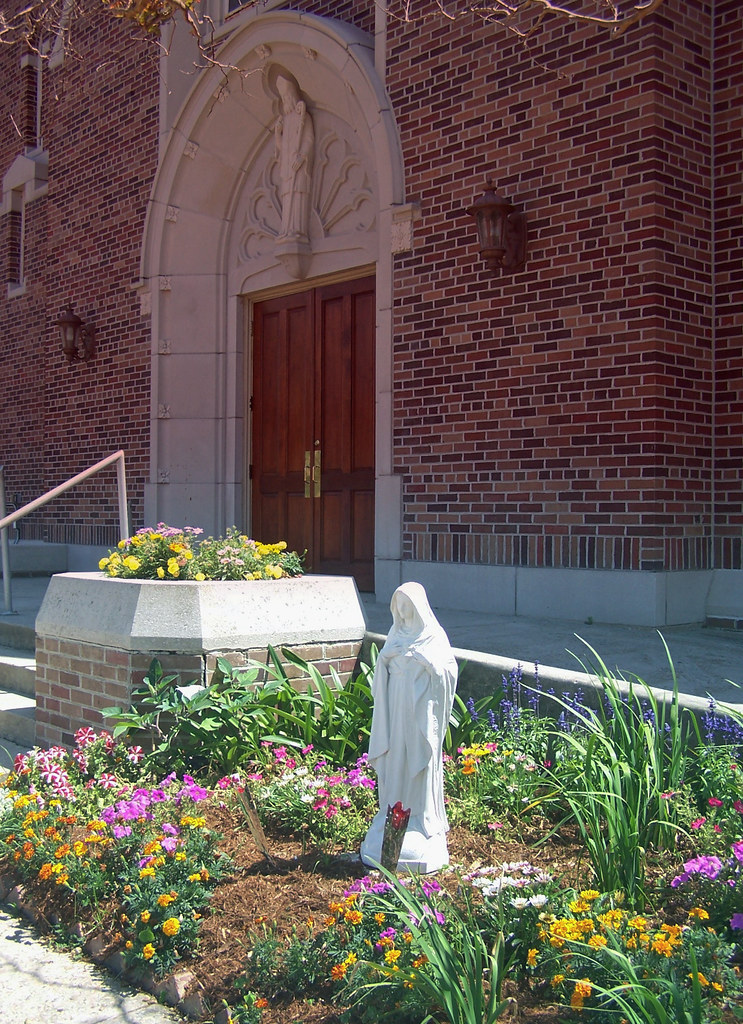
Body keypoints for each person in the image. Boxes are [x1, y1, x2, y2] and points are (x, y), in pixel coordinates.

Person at [360, 582, 458, 872]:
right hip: (395, 712)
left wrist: (428, 663)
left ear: (418, 609)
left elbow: (448, 672)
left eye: (407, 609)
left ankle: (418, 820)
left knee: (418, 762)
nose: (402, 615)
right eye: (399, 609)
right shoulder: (395, 634)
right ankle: (392, 812)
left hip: (419, 717)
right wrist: (386, 659)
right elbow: (381, 672)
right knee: (395, 761)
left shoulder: (433, 636)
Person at [273, 71, 314, 242]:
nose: (285, 100)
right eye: (283, 98)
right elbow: (282, 148)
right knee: (287, 196)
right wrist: (277, 133)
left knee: (297, 195)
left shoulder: (302, 117)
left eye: (286, 96)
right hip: (287, 168)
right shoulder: (287, 120)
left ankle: (297, 230)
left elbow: (309, 140)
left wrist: (302, 157)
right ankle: (286, 229)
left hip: (298, 166)